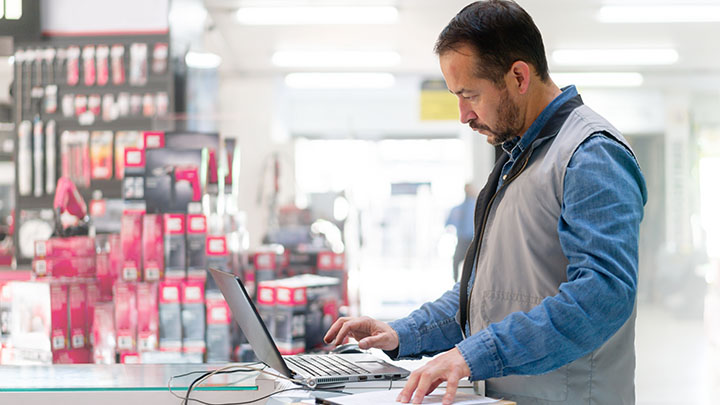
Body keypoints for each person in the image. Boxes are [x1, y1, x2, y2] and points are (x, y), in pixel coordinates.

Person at [324, 1, 647, 404]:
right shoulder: (520, 160)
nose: (463, 114)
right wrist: (401, 334)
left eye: (470, 95)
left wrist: (474, 354)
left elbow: (603, 294)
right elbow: (486, 295)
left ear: (518, 76)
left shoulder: (589, 155)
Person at [445, 184, 476, 282]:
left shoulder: (476, 206)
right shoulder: (459, 208)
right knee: (456, 261)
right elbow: (448, 223)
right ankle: (457, 282)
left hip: (473, 240)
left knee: (473, 264)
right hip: (463, 239)